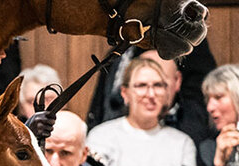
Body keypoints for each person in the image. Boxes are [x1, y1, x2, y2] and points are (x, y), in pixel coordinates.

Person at [86, 40, 216, 145]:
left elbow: (197, 105)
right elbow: (100, 106)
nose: (150, 94)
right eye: (141, 86)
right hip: (116, 134)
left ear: (176, 81)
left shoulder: (182, 144)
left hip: (176, 133)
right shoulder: (121, 53)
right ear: (125, 92)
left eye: (158, 85)